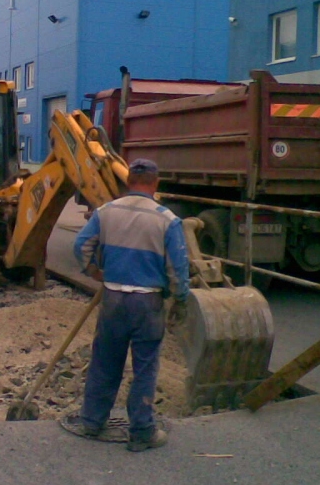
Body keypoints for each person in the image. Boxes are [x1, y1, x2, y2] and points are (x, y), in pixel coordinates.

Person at [73, 158, 190, 452]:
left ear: (128, 182)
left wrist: (94, 272)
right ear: (155, 183)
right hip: (148, 302)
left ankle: (91, 421)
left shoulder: (105, 212)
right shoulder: (167, 220)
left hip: (113, 299)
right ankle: (141, 431)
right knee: (145, 367)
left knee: (105, 362)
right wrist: (180, 299)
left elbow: (81, 245)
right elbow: (178, 269)